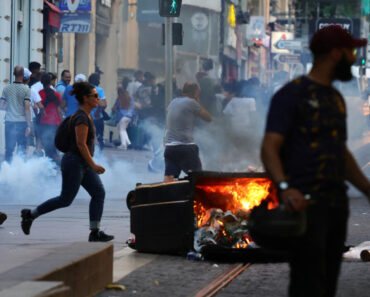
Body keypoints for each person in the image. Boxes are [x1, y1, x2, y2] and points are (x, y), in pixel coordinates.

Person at [261, 25, 370, 297]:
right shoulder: (291, 95)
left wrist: (368, 189)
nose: (354, 59)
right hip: (306, 206)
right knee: (308, 284)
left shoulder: (335, 99)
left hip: (336, 205)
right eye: (350, 52)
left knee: (328, 283)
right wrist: (285, 188)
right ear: (335, 53)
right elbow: (269, 147)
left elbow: (340, 153)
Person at [21, 82, 114, 242]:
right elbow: (80, 144)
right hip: (74, 163)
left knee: (98, 193)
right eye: (95, 96)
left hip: (82, 162)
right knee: (65, 199)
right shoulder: (81, 118)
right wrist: (94, 165)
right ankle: (30, 215)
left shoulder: (87, 115)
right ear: (85, 98)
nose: (98, 99)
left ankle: (95, 232)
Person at [164, 82, 212, 182]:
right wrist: (198, 101)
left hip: (170, 147)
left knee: (169, 177)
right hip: (186, 147)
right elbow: (208, 118)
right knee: (198, 178)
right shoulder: (192, 103)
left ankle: (167, 196)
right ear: (196, 93)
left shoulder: (173, 102)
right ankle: (198, 197)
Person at [0, 66, 31, 163]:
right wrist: (29, 125)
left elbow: (1, 106)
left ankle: (7, 172)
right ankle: (19, 172)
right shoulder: (26, 89)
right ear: (23, 75)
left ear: (14, 74)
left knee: (9, 149)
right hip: (22, 123)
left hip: (9, 122)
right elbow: (27, 108)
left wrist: (11, 107)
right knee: (21, 148)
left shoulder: (6, 88)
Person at [38, 73, 63, 163]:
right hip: (55, 123)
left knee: (47, 146)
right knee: (53, 146)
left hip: (43, 123)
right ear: (51, 82)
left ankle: (51, 166)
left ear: (42, 82)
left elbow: (37, 107)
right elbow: (59, 110)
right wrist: (62, 123)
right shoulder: (57, 95)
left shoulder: (40, 93)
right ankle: (55, 164)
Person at [23, 68, 45, 154]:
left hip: (15, 120)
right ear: (28, 79)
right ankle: (27, 162)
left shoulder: (10, 88)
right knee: (29, 142)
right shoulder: (31, 90)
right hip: (30, 120)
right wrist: (38, 115)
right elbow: (37, 107)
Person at [88, 73, 107, 152]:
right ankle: (99, 156)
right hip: (97, 117)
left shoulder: (85, 89)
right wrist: (98, 111)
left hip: (86, 117)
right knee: (99, 137)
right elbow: (104, 104)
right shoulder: (99, 90)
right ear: (97, 81)